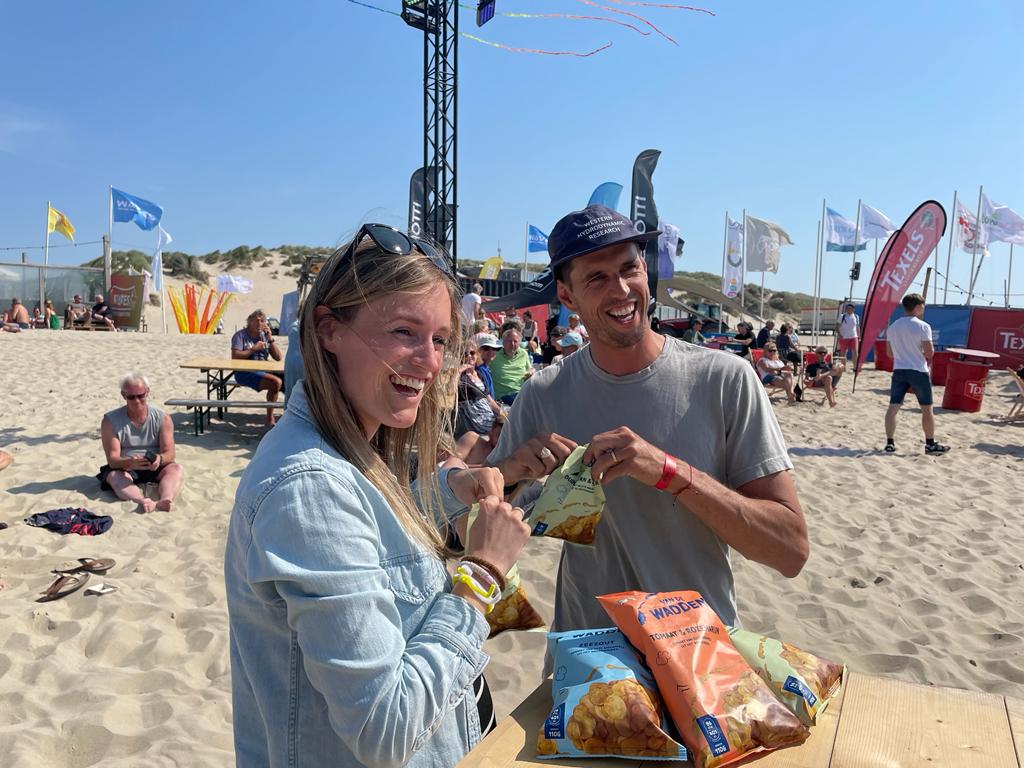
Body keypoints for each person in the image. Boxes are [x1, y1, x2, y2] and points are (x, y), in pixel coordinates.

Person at [224, 222, 531, 767]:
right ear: (328, 330)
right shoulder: (308, 489)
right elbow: (386, 731)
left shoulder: (349, 452)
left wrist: (450, 487)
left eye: (439, 339)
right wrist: (482, 575)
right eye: (404, 332)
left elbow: (368, 533)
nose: (430, 361)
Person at [488, 203, 808, 641]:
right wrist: (507, 476)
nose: (621, 290)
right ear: (566, 297)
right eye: (596, 278)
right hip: (588, 664)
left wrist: (670, 473)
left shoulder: (723, 379)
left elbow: (790, 551)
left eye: (629, 268)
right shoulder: (544, 393)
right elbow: (479, 524)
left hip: (698, 662)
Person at [98, 373, 185, 513]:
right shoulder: (110, 421)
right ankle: (142, 500)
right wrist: (129, 463)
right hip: (126, 468)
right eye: (131, 397)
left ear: (148, 392)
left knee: (176, 469)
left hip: (155, 467)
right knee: (114, 476)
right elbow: (113, 460)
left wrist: (159, 459)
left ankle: (165, 499)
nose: (137, 400)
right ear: (123, 395)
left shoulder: (163, 418)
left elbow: (170, 453)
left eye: (140, 395)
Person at [884, 293, 950, 455]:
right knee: (927, 409)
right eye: (922, 305)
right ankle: (930, 444)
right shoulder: (923, 326)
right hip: (918, 370)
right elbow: (929, 353)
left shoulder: (893, 327)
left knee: (893, 407)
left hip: (899, 369)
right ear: (917, 307)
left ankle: (890, 443)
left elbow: (889, 354)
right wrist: (918, 350)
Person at [455, 338, 505, 463]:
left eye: (472, 353)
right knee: (499, 433)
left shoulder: (479, 374)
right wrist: (460, 370)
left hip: (487, 414)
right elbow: (449, 391)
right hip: (474, 418)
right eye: (464, 353)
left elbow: (488, 399)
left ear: (477, 355)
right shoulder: (459, 376)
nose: (469, 356)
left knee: (508, 425)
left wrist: (502, 412)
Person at [231, 309, 284, 427]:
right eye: (256, 321)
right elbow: (235, 357)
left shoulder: (264, 336)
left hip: (264, 370)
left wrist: (270, 338)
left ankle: (290, 415)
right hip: (244, 372)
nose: (259, 324)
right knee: (275, 382)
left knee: (289, 379)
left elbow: (278, 357)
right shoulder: (240, 336)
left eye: (262, 321)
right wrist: (253, 349)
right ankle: (270, 418)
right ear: (249, 322)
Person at [489, 326, 532, 405]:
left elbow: (530, 369)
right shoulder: (494, 354)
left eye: (515, 341)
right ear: (503, 342)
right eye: (509, 341)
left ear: (519, 342)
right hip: (502, 397)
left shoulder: (523, 353)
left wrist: (531, 372)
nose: (512, 344)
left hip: (521, 394)